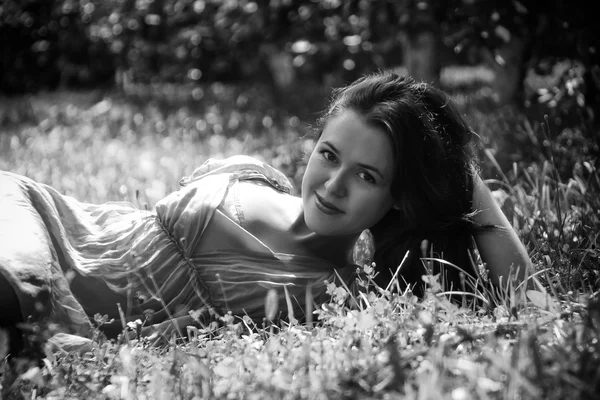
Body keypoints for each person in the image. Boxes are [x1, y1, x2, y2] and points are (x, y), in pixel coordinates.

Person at [0, 71, 530, 350]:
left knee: (16, 301)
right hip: (32, 215)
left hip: (44, 305)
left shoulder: (336, 292)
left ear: (398, 197)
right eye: (329, 155)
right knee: (18, 282)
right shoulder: (251, 171)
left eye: (367, 176)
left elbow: (526, 296)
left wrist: (458, 168)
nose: (333, 185)